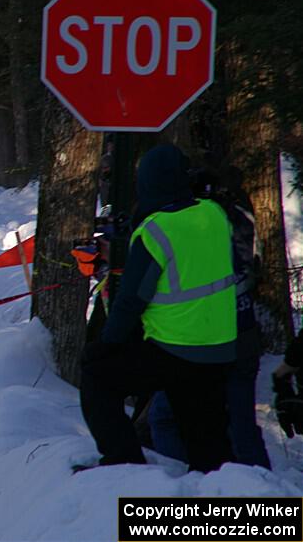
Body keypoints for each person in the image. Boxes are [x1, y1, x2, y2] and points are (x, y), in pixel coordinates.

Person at [80, 143, 237, 474]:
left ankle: (122, 462)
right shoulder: (214, 214)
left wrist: (107, 343)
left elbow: (131, 299)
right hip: (220, 345)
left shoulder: (155, 231)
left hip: (173, 346)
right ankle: (222, 491)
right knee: (206, 436)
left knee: (97, 376)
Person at [147, 166, 271, 469]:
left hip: (208, 337)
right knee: (240, 423)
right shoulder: (240, 218)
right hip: (244, 330)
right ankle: (260, 484)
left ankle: (180, 484)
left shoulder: (198, 226)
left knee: (167, 416)